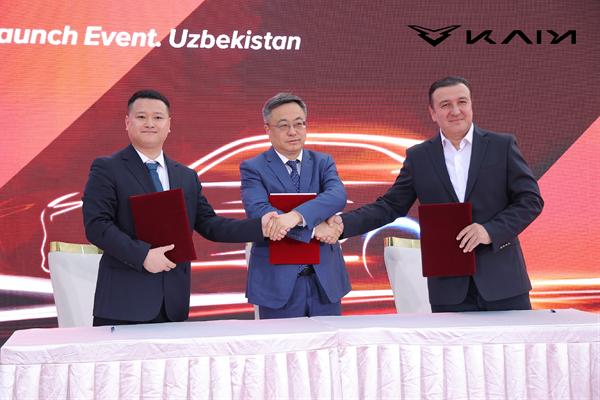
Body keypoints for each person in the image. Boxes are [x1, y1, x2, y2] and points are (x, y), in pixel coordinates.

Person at [329, 76, 544, 312]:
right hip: (449, 287)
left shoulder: (502, 146)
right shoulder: (419, 157)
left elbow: (530, 200)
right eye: (445, 105)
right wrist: (341, 224)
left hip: (504, 281)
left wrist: (490, 230)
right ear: (432, 113)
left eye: (462, 102)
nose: (456, 111)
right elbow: (390, 206)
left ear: (471, 104)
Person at [82, 89, 278, 326]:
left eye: (157, 117)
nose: (150, 123)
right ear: (127, 122)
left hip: (173, 303)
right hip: (124, 303)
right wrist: (142, 255)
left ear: (169, 124)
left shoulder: (186, 176)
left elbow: (211, 225)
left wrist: (260, 227)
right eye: (141, 117)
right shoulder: (107, 168)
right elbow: (97, 226)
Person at [240, 93, 350, 318]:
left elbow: (337, 195)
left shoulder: (323, 162)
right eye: (284, 125)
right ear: (268, 129)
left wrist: (297, 216)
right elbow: (259, 211)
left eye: (299, 124)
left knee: (329, 341)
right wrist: (314, 229)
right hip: (277, 283)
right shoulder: (253, 167)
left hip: (325, 281)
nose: (293, 132)